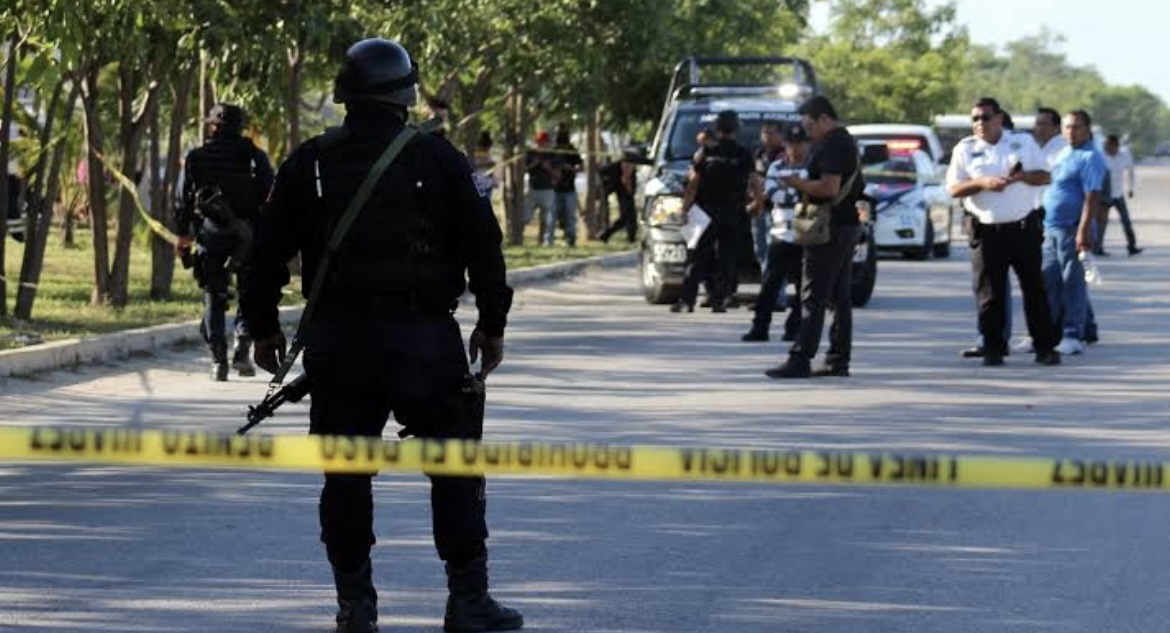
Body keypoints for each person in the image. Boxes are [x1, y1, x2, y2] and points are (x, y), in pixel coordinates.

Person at [240, 38, 522, 633]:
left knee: (345, 477)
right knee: (454, 469)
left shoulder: (309, 162)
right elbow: (484, 246)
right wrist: (491, 324)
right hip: (424, 342)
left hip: (340, 345)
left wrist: (262, 328)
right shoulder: (440, 159)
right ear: (407, 96)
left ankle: (355, 606)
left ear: (344, 95)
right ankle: (468, 602)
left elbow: (264, 255)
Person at [945, 97, 1060, 367]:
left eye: (985, 117)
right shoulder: (965, 149)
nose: (979, 123)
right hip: (986, 231)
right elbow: (953, 189)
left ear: (998, 118)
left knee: (1034, 290)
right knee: (989, 294)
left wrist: (1021, 177)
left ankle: (1045, 347)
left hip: (1023, 228)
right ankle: (993, 348)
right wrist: (982, 183)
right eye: (974, 118)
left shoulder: (1021, 142)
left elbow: (1045, 176)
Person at [765, 96, 863, 378]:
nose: (807, 131)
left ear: (824, 119)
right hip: (843, 225)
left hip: (828, 227)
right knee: (838, 296)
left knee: (813, 295)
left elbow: (829, 188)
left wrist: (796, 182)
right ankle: (837, 359)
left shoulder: (833, 144)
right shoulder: (843, 141)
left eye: (809, 125)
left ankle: (800, 358)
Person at [176, 103, 274, 381]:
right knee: (248, 293)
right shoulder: (255, 157)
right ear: (240, 127)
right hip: (247, 237)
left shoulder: (197, 157)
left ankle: (218, 361)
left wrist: (183, 236)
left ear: (214, 127)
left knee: (214, 294)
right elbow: (271, 195)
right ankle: (242, 350)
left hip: (211, 236)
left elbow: (183, 201)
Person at [671, 109, 758, 313]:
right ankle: (720, 300)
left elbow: (693, 182)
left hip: (706, 212)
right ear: (736, 129)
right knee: (727, 258)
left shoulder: (705, 152)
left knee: (698, 256)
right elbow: (754, 182)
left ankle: (687, 300)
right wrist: (758, 204)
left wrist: (685, 207)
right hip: (733, 212)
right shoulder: (743, 153)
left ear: (717, 129)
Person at [1041, 109, 1106, 356]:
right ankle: (1054, 331)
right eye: (1067, 127)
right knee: (1050, 280)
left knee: (1072, 283)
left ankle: (1072, 334)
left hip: (1073, 227)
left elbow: (1092, 196)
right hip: (1051, 226)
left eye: (1076, 127)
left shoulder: (1090, 157)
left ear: (1088, 129)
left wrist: (1083, 230)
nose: (1071, 132)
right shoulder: (1064, 152)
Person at [742, 122, 809, 342]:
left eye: (800, 143)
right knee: (770, 285)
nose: (796, 148)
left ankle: (794, 327)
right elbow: (773, 194)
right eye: (792, 143)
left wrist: (789, 187)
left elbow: (808, 196)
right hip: (780, 235)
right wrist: (798, 187)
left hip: (805, 234)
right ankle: (760, 327)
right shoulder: (776, 167)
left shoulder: (813, 166)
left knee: (803, 287)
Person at [751, 120, 786, 277]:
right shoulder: (759, 153)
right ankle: (767, 283)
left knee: (775, 250)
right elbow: (753, 178)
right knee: (760, 250)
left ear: (780, 135)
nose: (767, 136)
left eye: (771, 133)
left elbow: (781, 183)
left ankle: (776, 290)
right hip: (759, 208)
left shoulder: (785, 155)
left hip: (777, 208)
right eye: (765, 133)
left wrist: (760, 197)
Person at [1099, 134, 1142, 256]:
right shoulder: (1100, 157)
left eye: (1107, 145)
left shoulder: (1125, 155)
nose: (1105, 148)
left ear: (1115, 146)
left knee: (1126, 221)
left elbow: (1131, 172)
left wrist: (1131, 188)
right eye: (1104, 145)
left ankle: (1132, 246)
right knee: (1102, 223)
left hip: (1118, 194)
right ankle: (1098, 247)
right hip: (1104, 195)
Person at [545, 127, 581, 247]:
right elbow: (547, 166)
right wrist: (554, 172)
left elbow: (579, 167)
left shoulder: (572, 150)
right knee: (552, 216)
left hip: (569, 188)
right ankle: (548, 241)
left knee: (570, 216)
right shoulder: (553, 151)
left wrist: (568, 167)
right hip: (555, 189)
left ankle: (571, 240)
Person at [597, 147, 639, 244]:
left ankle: (629, 237)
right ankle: (605, 234)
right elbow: (625, 178)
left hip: (621, 190)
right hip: (624, 192)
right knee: (627, 217)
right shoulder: (627, 163)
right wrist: (630, 191)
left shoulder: (621, 163)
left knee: (628, 217)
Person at [524, 131, 555, 243]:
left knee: (546, 219)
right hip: (532, 189)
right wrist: (534, 164)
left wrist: (548, 168)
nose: (541, 144)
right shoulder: (530, 153)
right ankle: (518, 238)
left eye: (543, 142)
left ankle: (544, 241)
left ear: (548, 142)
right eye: (539, 142)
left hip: (548, 190)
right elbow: (523, 169)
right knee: (525, 216)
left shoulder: (553, 155)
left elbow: (558, 175)